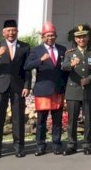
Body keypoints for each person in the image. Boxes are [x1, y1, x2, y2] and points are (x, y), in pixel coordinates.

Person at [0, 19, 31, 159]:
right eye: (8, 30)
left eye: (13, 30)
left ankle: (18, 147)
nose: (11, 33)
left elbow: (27, 69)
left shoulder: (25, 47)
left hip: (18, 86)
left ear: (17, 31)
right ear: (3, 32)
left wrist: (27, 86)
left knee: (18, 118)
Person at [24, 21, 67, 156]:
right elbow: (27, 66)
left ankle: (56, 144)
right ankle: (40, 145)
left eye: (52, 35)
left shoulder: (62, 49)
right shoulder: (36, 50)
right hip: (43, 90)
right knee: (41, 120)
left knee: (57, 120)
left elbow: (65, 70)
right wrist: (40, 60)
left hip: (58, 89)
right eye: (47, 35)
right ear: (43, 36)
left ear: (56, 36)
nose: (50, 38)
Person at [61, 24, 91, 155]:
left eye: (83, 37)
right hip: (73, 90)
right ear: (75, 39)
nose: (81, 39)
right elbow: (63, 66)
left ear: (88, 37)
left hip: (88, 89)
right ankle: (71, 144)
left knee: (88, 118)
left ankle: (87, 144)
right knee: (72, 120)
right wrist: (71, 64)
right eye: (78, 37)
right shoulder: (70, 53)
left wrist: (89, 79)